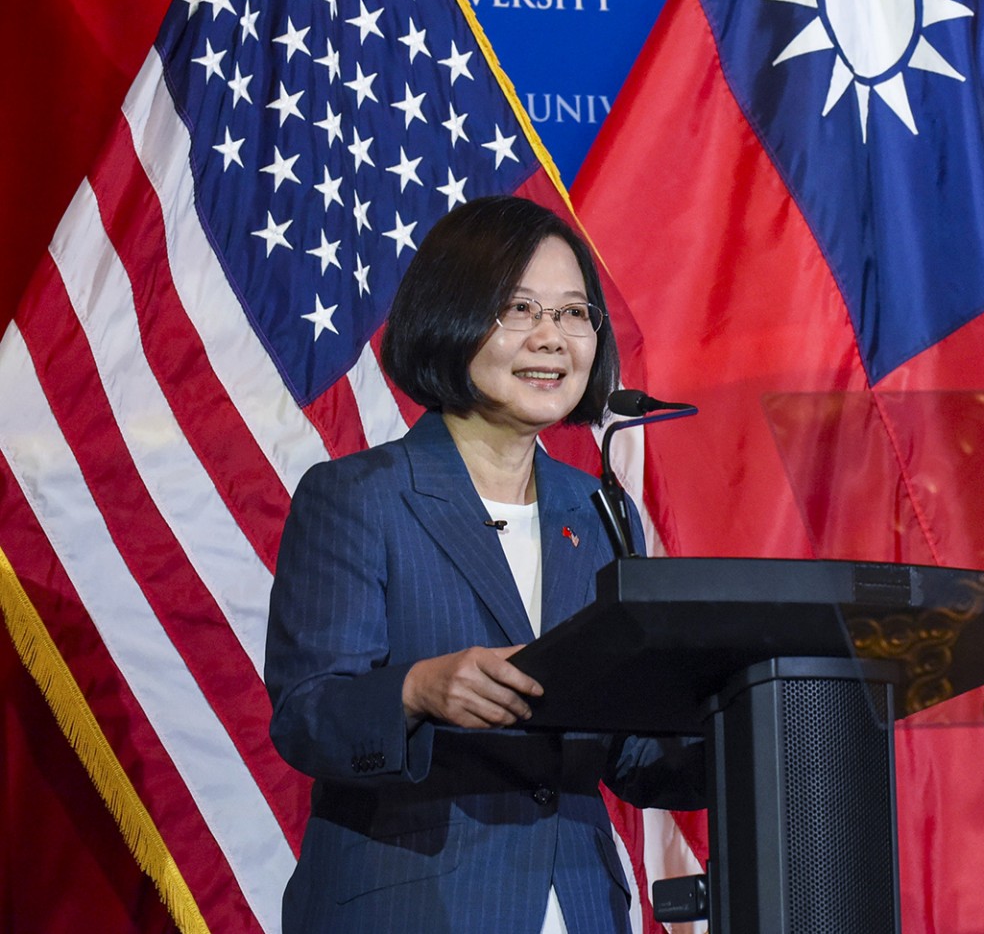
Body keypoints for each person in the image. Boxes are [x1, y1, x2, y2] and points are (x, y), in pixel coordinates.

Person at [266, 196, 701, 934]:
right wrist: (414, 690)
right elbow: (307, 717)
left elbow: (628, 748)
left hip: (581, 909)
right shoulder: (361, 497)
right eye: (519, 308)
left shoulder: (600, 510)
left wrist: (765, 726)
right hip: (413, 909)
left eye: (572, 314)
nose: (551, 338)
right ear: (453, 314)